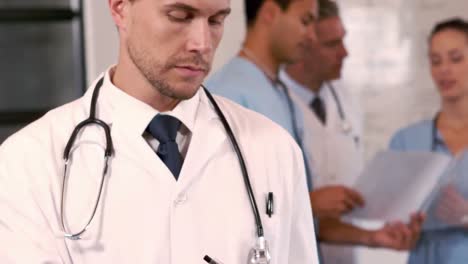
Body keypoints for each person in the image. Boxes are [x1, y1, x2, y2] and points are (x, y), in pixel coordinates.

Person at [0, 0, 320, 263]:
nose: (202, 44)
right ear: (120, 8)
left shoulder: (273, 148)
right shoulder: (29, 161)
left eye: (216, 21)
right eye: (180, 16)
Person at [280, 0, 425, 263]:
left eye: (343, 40)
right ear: (302, 46)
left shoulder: (343, 97)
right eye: (332, 45)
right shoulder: (275, 103)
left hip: (345, 250)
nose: (345, 53)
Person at [390, 18, 468, 264]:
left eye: (455, 59)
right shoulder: (405, 141)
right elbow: (391, 215)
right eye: (436, 61)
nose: (444, 69)